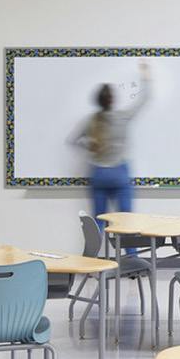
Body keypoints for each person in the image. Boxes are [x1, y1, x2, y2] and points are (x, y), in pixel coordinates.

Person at [74, 60, 150, 234]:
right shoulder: (122, 117)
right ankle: (131, 256)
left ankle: (92, 257)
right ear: (113, 100)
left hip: (98, 173)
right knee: (126, 221)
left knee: (98, 221)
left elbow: (74, 141)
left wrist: (90, 147)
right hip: (119, 173)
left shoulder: (91, 121)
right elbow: (145, 98)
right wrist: (146, 75)